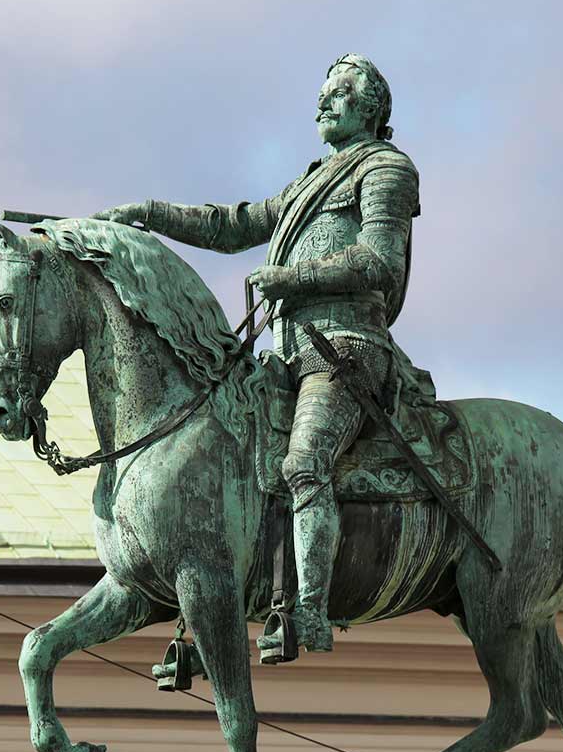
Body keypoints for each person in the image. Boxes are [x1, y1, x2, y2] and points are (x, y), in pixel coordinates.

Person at [93, 54, 419, 661]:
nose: (324, 103)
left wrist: (297, 279)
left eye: (341, 93)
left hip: (346, 351)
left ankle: (309, 612)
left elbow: (380, 262)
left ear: (371, 108)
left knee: (302, 462)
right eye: (323, 93)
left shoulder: (387, 170)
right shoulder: (309, 181)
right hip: (290, 356)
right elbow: (233, 225)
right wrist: (147, 216)